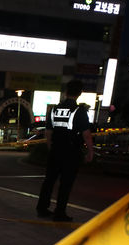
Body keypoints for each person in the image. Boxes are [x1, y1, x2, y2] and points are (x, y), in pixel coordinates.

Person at [36, 80, 94, 222]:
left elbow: (48, 132)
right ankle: (59, 212)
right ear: (80, 93)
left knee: (49, 181)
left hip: (56, 150)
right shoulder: (79, 111)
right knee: (66, 183)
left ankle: (42, 208)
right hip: (71, 152)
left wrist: (51, 147)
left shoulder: (54, 110)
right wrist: (90, 151)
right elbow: (86, 134)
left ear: (66, 92)